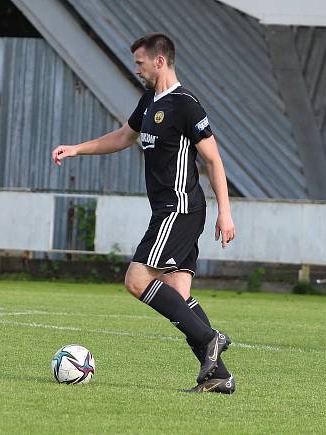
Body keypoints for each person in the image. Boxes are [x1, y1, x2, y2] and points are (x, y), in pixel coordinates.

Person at [51, 33, 236, 394]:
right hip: (170, 210)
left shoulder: (186, 105)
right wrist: (76, 149)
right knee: (177, 296)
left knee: (136, 280)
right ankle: (219, 375)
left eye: (140, 62)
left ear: (160, 61)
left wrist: (225, 212)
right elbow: (123, 136)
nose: (136, 68)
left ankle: (210, 338)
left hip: (180, 208)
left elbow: (213, 160)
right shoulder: (151, 100)